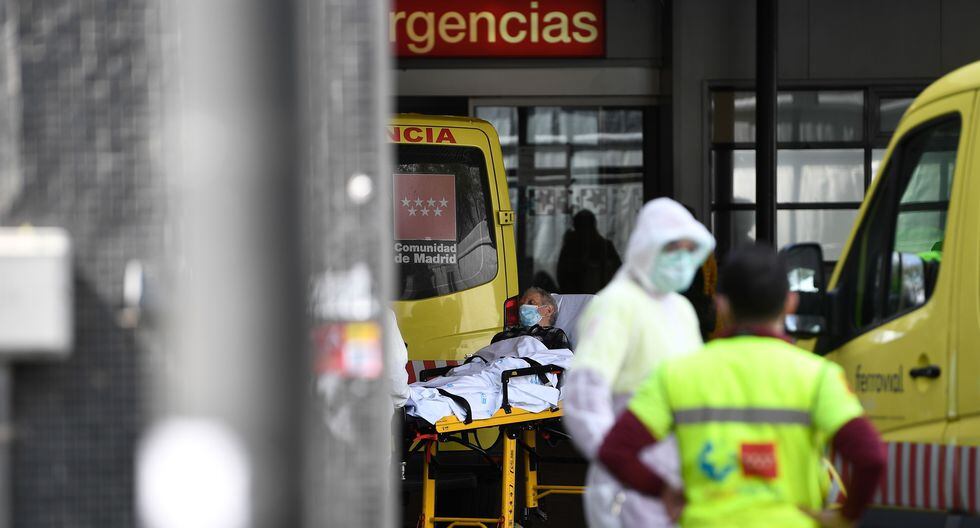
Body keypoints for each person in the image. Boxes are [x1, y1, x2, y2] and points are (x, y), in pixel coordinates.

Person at [598, 244, 886, 528]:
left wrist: (663, 490)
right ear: (790, 302)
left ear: (721, 304)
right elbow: (871, 458)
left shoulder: (677, 374)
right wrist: (845, 516)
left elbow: (615, 451)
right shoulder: (818, 375)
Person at [563, 198, 715, 527]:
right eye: (673, 248)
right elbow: (583, 398)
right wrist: (623, 464)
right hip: (629, 489)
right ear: (647, 246)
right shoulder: (616, 305)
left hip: (678, 482)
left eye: (690, 250)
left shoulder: (681, 310)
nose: (682, 259)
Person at [557, 209, 622, 294]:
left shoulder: (605, 247)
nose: (585, 232)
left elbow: (617, 272)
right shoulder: (570, 248)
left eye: (587, 226)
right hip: (575, 298)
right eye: (581, 227)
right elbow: (563, 276)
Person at [491, 286, 570, 350]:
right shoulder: (502, 336)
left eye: (531, 303)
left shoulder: (554, 335)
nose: (523, 307)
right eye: (521, 304)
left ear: (548, 310)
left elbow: (561, 362)